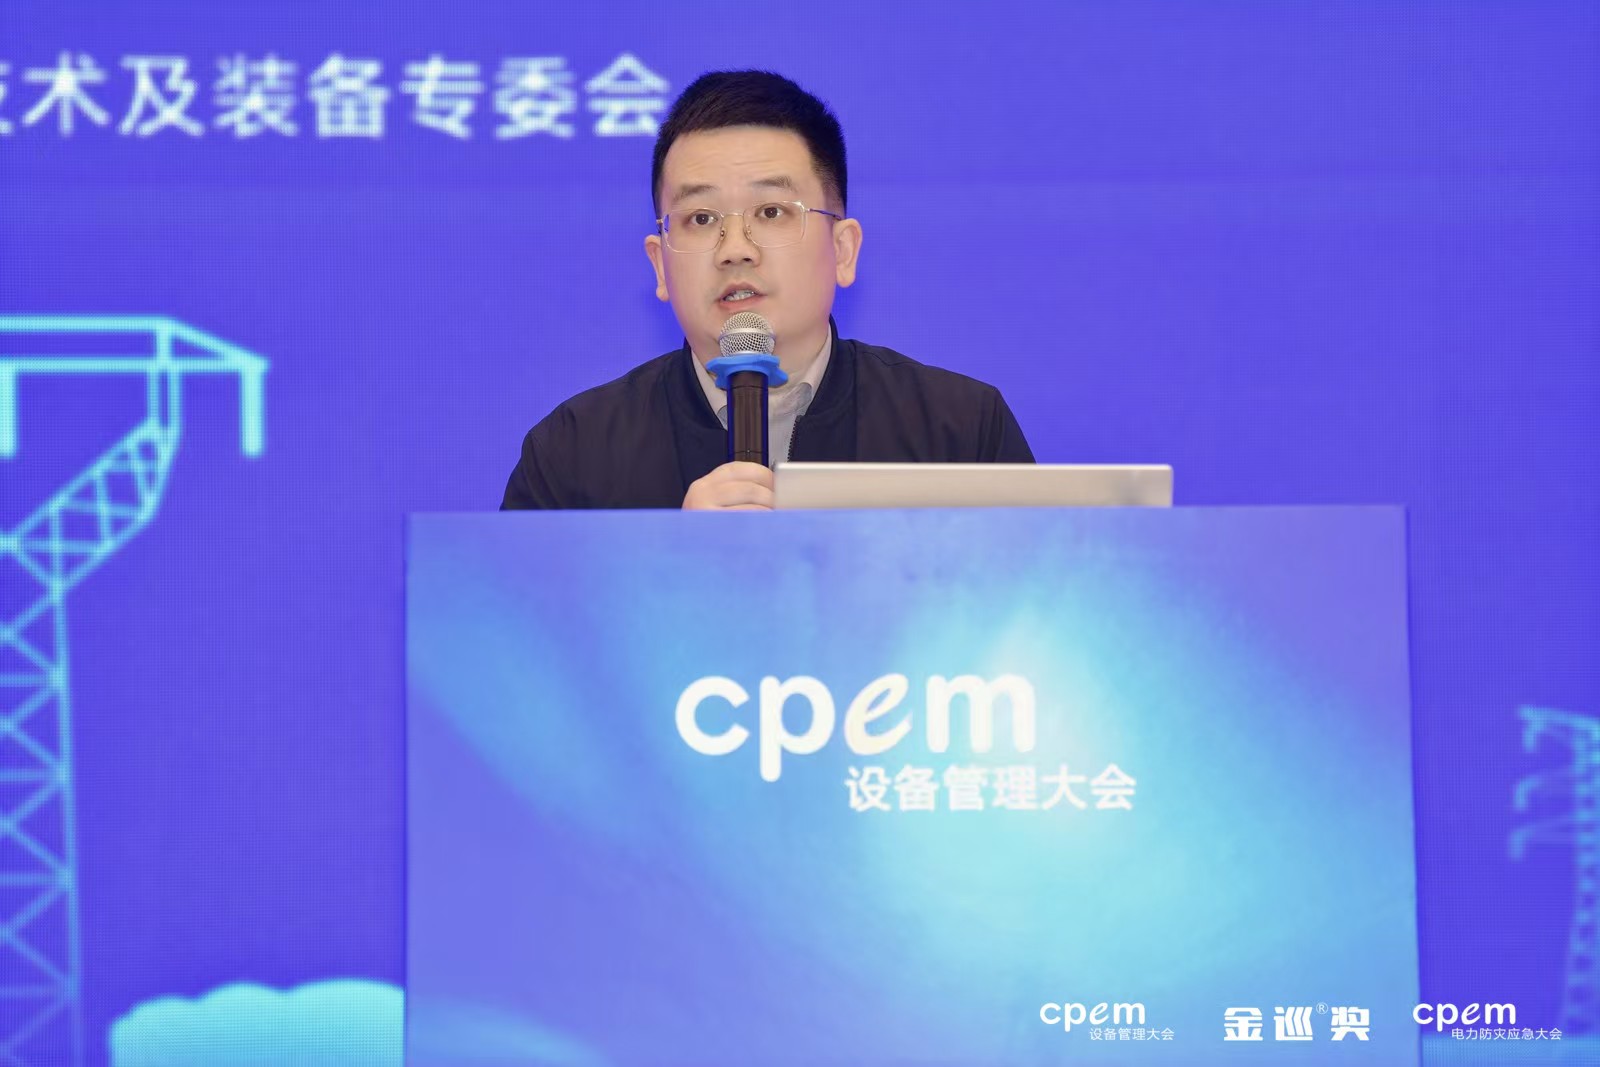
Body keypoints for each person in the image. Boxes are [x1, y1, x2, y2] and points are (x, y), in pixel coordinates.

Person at [501, 70, 1033, 511]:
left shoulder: (959, 431)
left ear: (843, 250)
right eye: (701, 218)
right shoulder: (572, 454)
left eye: (772, 212)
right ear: (660, 265)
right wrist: (666, 556)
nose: (735, 248)